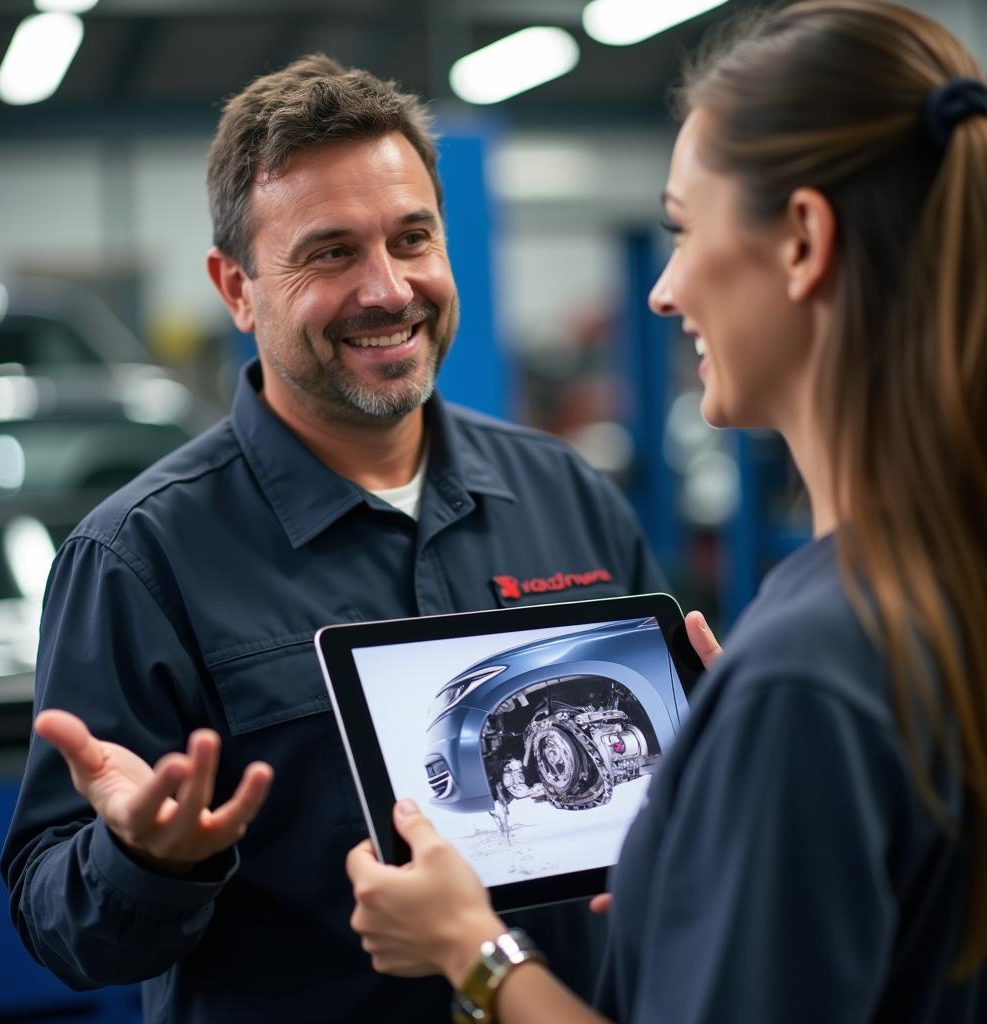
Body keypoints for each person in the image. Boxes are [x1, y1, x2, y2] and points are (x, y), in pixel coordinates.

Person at [0, 55, 680, 1024]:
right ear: (236, 289)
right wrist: (147, 855)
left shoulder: (567, 491)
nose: (387, 288)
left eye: (412, 238)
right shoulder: (139, 558)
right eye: (329, 253)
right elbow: (58, 924)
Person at [346, 2, 987, 1021]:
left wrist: (476, 951)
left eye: (684, 229)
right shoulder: (902, 601)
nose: (663, 289)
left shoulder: (810, 672)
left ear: (803, 242)